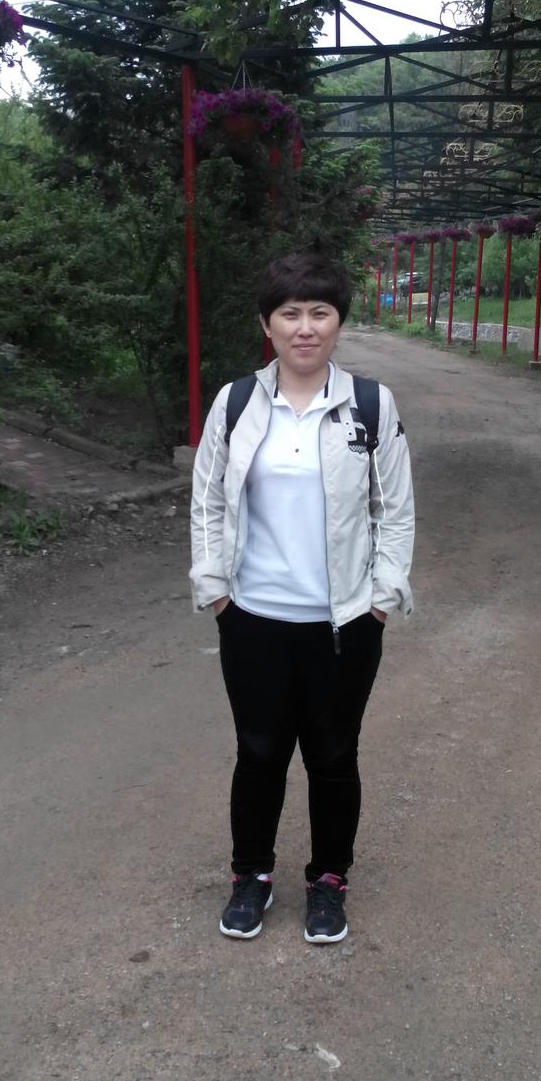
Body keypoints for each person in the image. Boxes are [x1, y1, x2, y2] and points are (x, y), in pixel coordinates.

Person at [189, 252, 414, 943]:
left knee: (333, 756)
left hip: (343, 623)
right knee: (258, 753)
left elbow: (395, 511)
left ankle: (328, 881)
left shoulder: (369, 406)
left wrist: (380, 601)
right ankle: (250, 876)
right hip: (253, 617)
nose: (305, 327)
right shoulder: (235, 403)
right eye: (290, 313)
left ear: (338, 323)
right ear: (268, 324)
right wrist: (217, 593)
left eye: (320, 312)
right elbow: (207, 502)